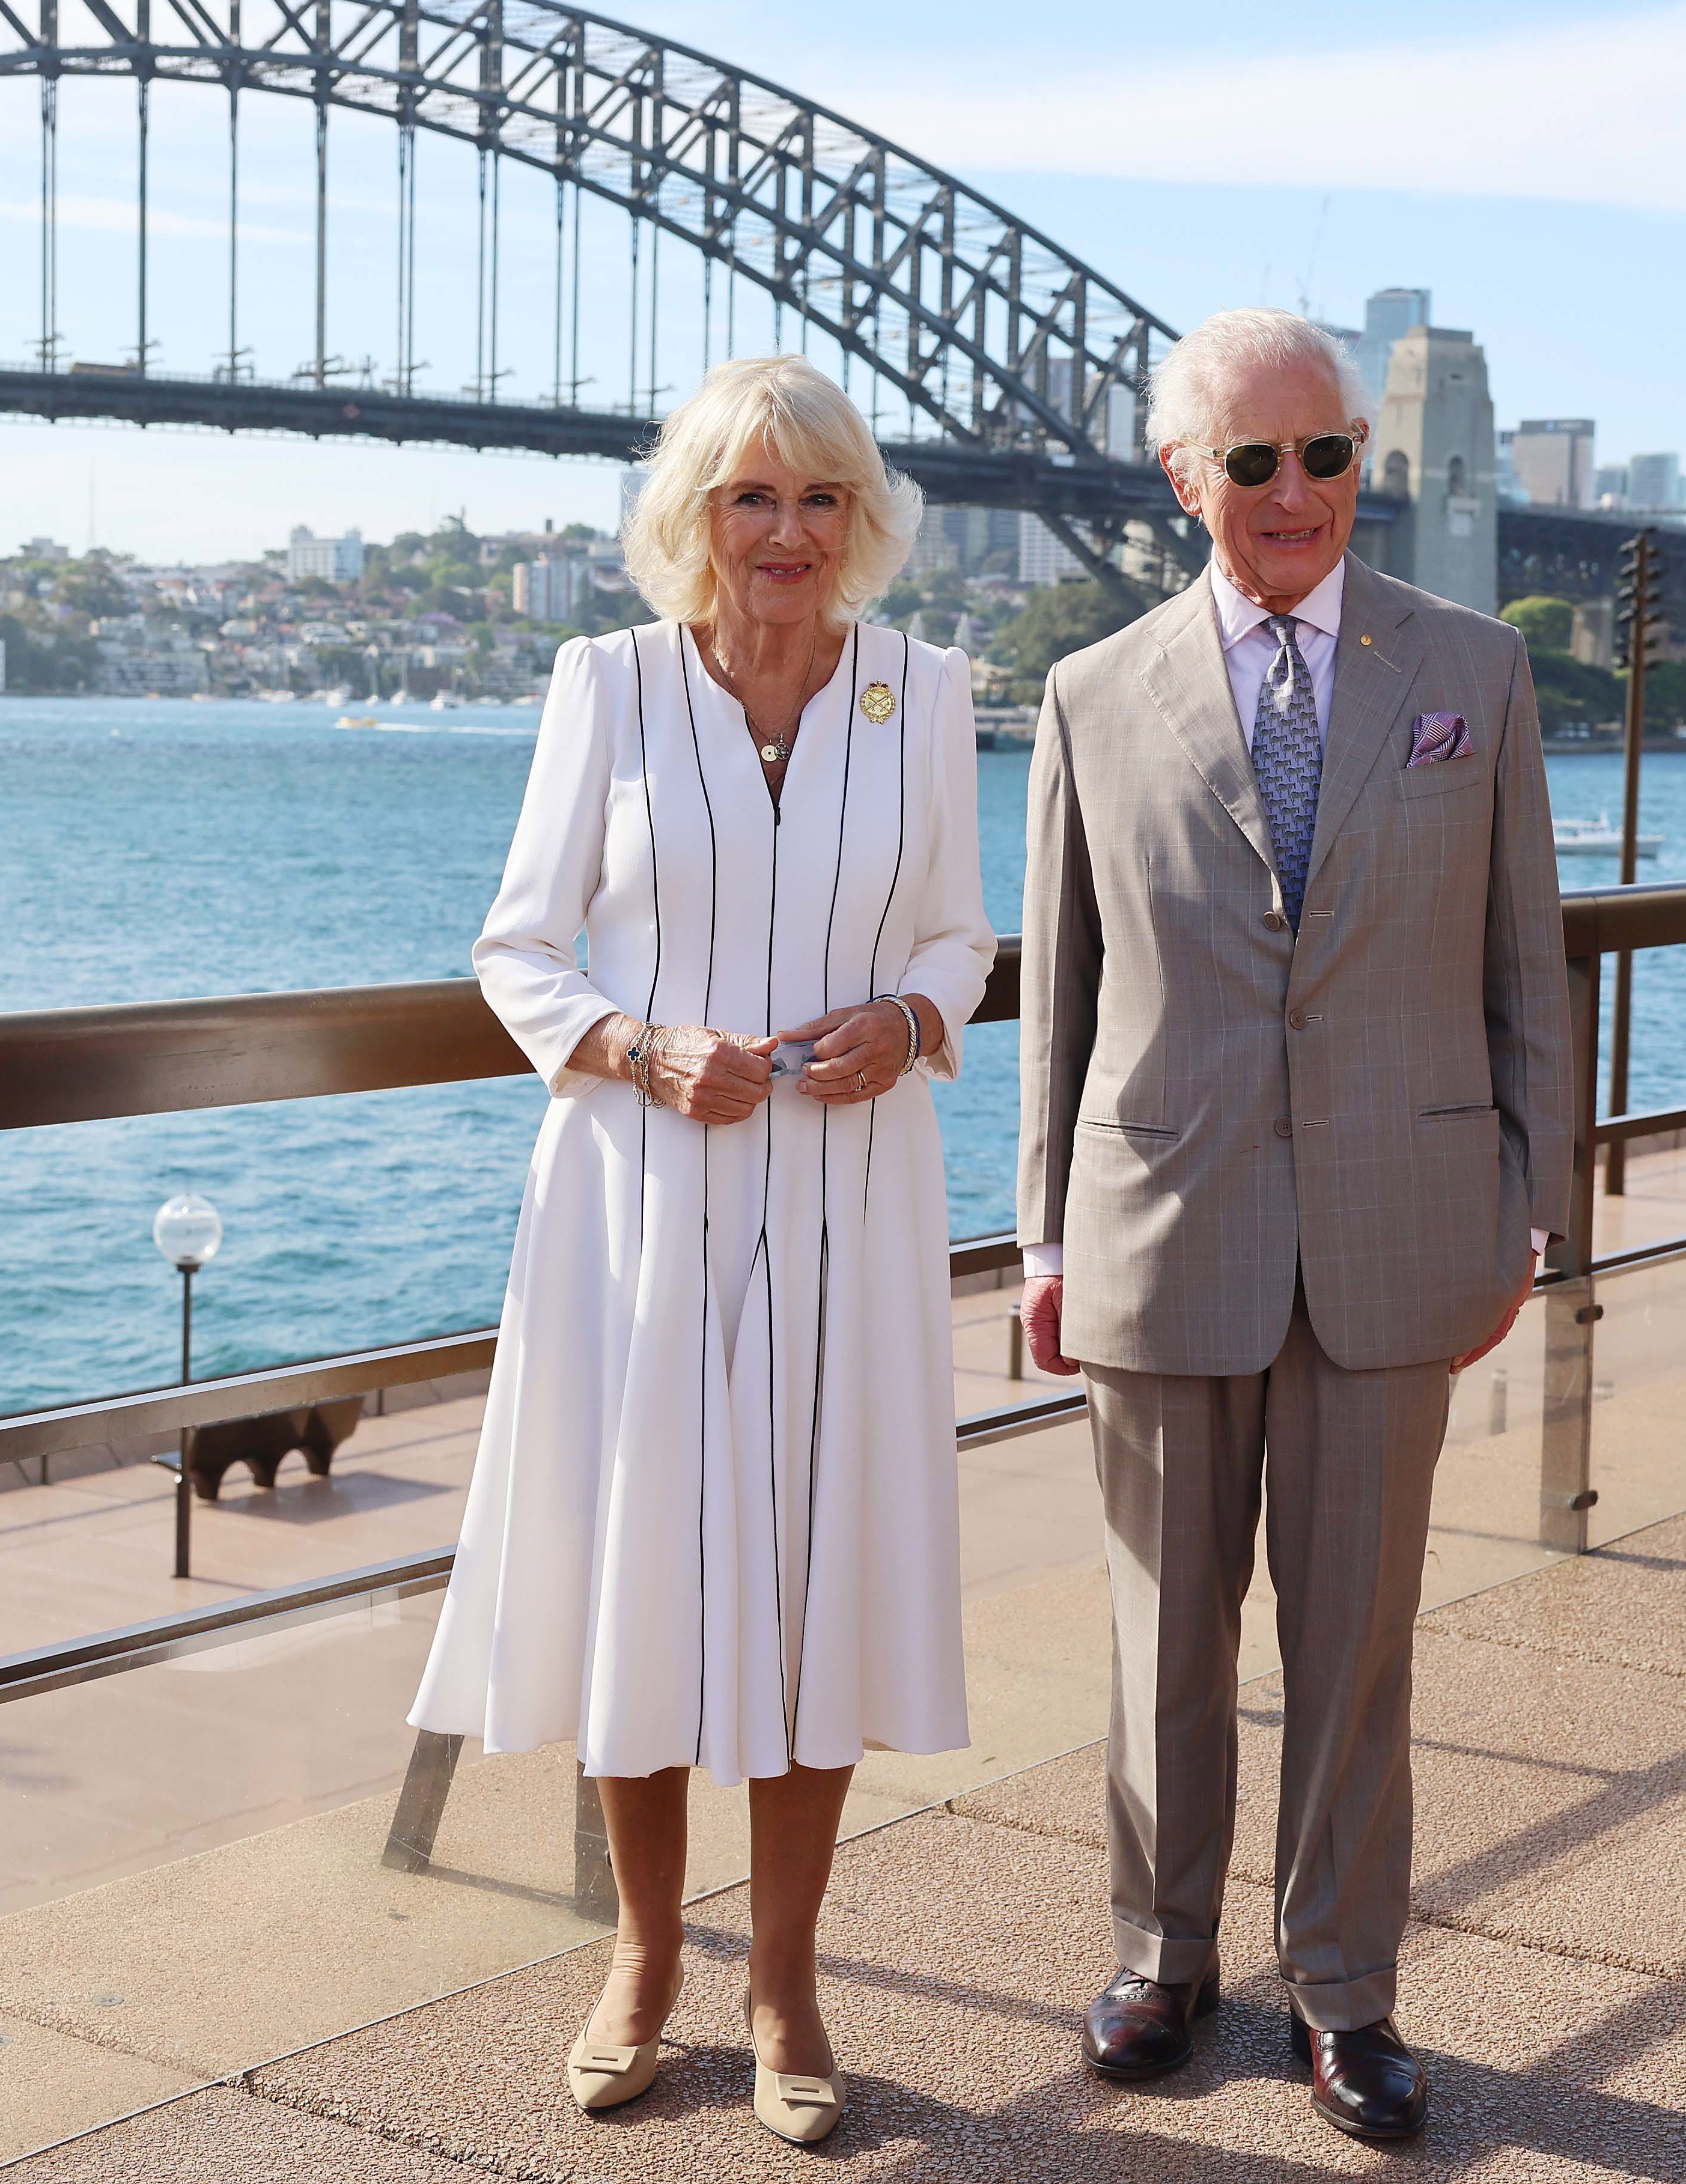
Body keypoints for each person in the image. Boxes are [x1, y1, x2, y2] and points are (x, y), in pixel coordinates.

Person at [408, 354, 996, 2147]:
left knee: (818, 1571)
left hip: (849, 1189)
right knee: (643, 1573)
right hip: (640, 1194)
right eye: (754, 497)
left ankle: (791, 1979)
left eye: (821, 499)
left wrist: (914, 1018)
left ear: (862, 520)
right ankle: (643, 1962)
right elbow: (518, 949)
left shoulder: (928, 690)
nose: (789, 532)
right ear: (698, 517)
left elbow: (968, 934)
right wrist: (645, 1046)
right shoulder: (608, 687)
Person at [1016, 308, 1568, 2143]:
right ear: (1186, 480)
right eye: (1250, 462)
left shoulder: (1471, 670)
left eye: (1323, 454)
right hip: (1163, 1219)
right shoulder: (1095, 690)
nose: (1293, 493)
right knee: (1159, 1631)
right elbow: (1068, 996)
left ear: (1362, 460)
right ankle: (1160, 1957)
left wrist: (1525, 1213)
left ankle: (1343, 1988)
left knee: (1357, 1644)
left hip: (1403, 1227)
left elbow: (1524, 973)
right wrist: (1040, 1238)